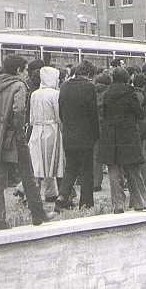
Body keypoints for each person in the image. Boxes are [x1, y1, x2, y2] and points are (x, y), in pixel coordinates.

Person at [0, 55, 56, 229]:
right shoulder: (19, 85)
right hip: (14, 136)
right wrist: (18, 129)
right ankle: (38, 214)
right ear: (18, 70)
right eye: (25, 69)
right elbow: (19, 110)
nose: (27, 73)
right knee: (28, 174)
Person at [98, 68, 146, 213]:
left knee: (114, 170)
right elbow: (139, 114)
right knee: (133, 169)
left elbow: (103, 114)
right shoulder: (130, 93)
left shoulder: (107, 94)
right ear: (127, 78)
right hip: (128, 134)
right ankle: (141, 201)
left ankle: (118, 204)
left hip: (110, 136)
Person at [55, 61, 99, 211]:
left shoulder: (64, 86)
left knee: (71, 168)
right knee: (87, 170)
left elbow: (60, 111)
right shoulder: (89, 87)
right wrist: (95, 135)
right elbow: (93, 114)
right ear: (88, 74)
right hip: (86, 135)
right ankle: (86, 203)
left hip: (68, 134)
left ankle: (62, 194)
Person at [27, 66, 64, 202]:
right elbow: (58, 115)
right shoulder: (55, 94)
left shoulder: (35, 94)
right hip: (51, 129)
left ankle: (32, 193)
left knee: (37, 162)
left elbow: (31, 117)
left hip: (37, 129)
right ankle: (50, 191)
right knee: (51, 161)